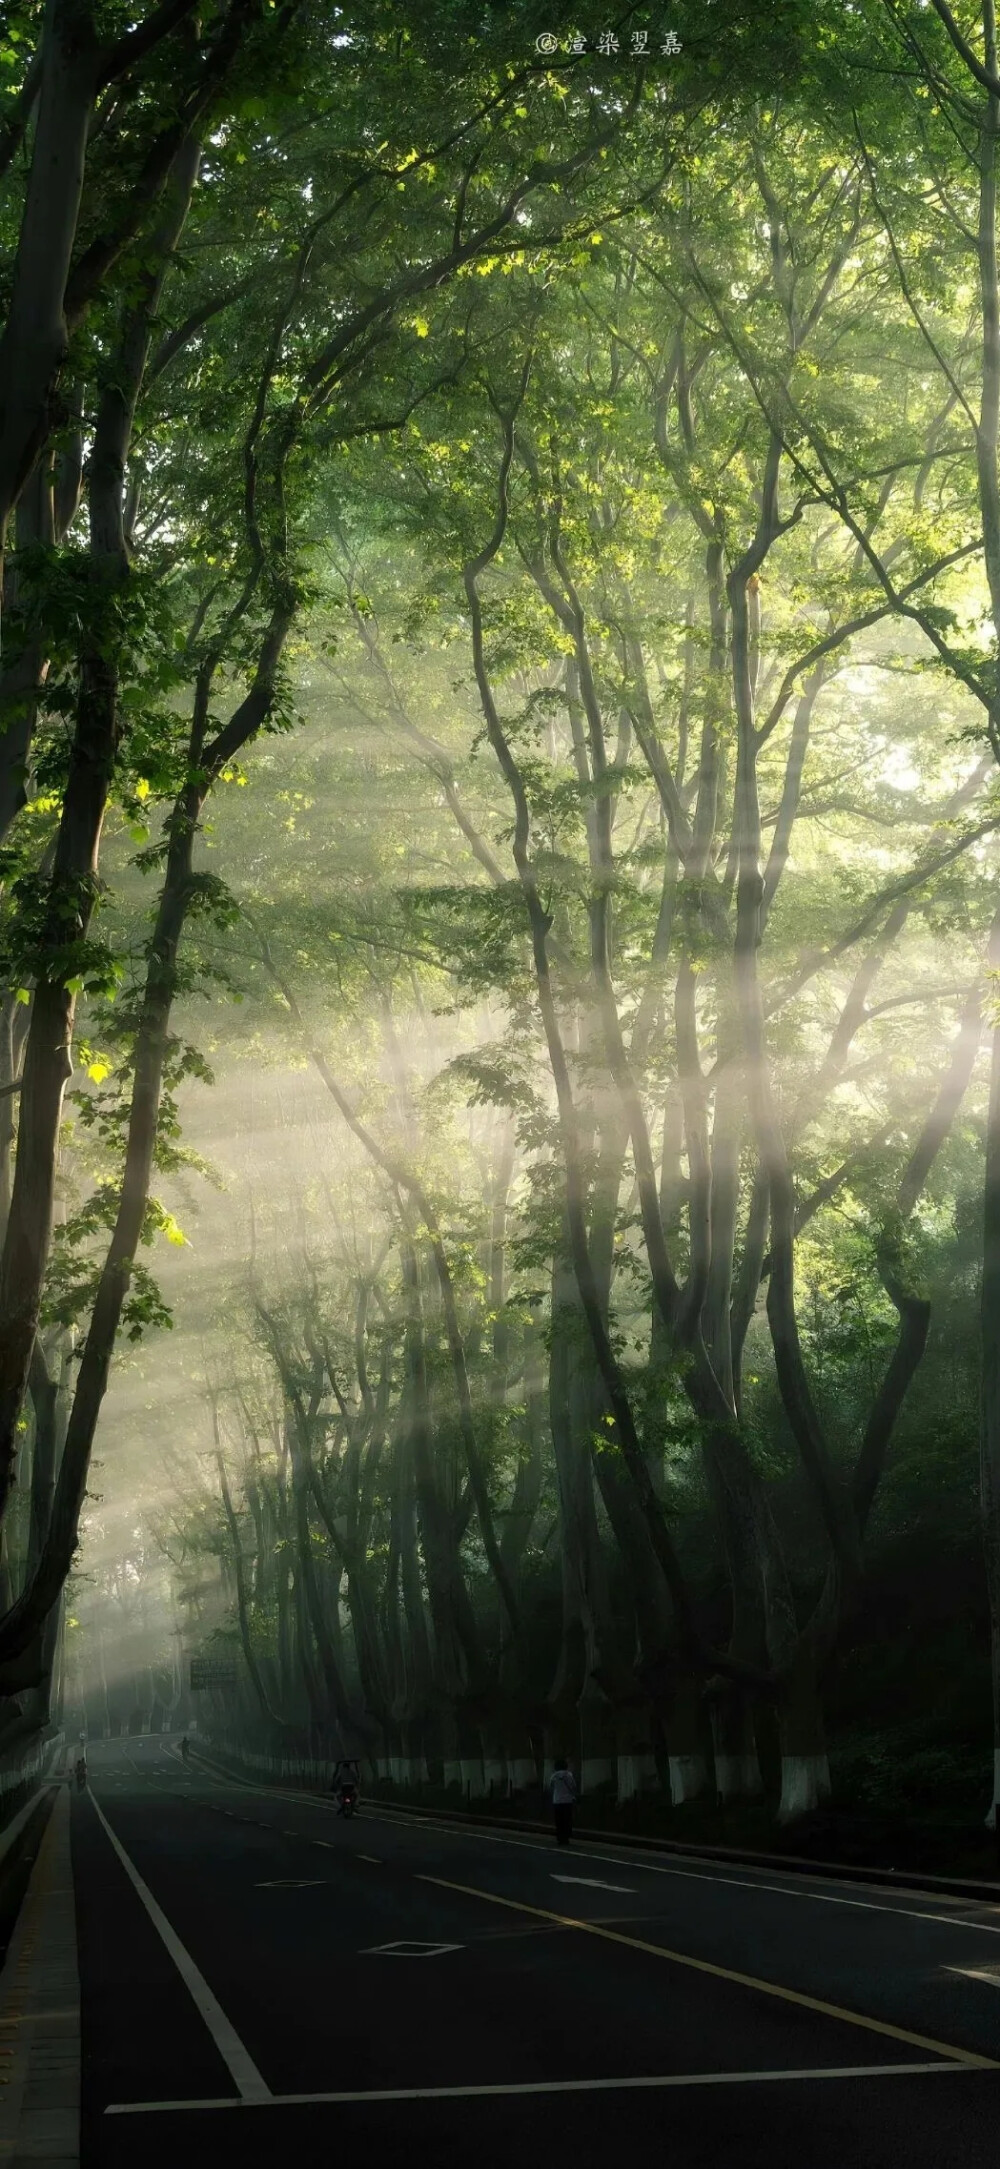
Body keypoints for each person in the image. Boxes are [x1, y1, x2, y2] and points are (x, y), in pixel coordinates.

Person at [549, 1756, 577, 1845]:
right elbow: (573, 1786)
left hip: (557, 1800)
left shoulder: (553, 1776)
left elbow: (551, 1787)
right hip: (567, 1801)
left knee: (559, 1820)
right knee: (567, 1820)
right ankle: (566, 1837)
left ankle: (560, 1837)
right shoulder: (569, 1775)